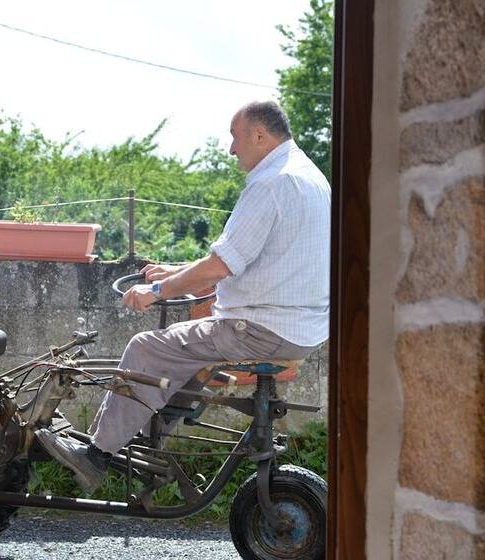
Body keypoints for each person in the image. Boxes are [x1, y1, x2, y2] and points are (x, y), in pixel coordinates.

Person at [36, 100, 331, 492]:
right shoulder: (310, 177)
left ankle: (97, 455)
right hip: (301, 328)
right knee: (184, 350)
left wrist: (155, 291)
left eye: (235, 138)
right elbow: (239, 256)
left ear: (259, 135)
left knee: (146, 349)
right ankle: (145, 443)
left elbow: (219, 267)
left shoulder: (270, 183)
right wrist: (176, 273)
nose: (231, 149)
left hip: (260, 327)